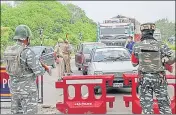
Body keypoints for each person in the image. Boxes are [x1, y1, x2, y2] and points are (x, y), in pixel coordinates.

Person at [3, 25, 50, 114]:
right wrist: (45, 67)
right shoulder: (27, 52)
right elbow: (39, 71)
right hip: (27, 91)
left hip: (14, 90)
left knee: (16, 113)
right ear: (26, 38)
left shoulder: (9, 50)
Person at [131, 23, 175, 114]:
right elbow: (173, 56)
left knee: (147, 107)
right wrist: (165, 62)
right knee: (164, 105)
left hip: (144, 79)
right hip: (159, 78)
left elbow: (134, 63)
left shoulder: (137, 46)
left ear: (142, 32)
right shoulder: (160, 44)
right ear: (153, 32)